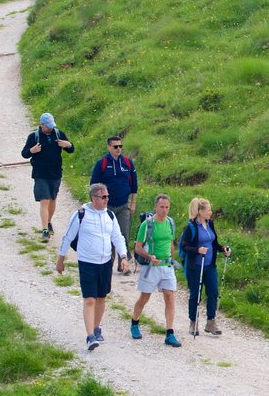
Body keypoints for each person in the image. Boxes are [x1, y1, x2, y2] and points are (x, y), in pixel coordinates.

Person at [56, 183, 129, 351]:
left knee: (101, 297)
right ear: (93, 198)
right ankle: (90, 336)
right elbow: (68, 237)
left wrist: (123, 257)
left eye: (107, 197)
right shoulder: (81, 215)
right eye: (103, 197)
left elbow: (118, 237)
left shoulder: (109, 215)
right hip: (87, 262)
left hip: (105, 262)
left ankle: (96, 328)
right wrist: (61, 259)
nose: (107, 200)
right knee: (90, 299)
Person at [130, 194, 181, 347]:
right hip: (151, 267)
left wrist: (171, 259)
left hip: (166, 266)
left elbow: (170, 242)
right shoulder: (147, 224)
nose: (164, 210)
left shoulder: (170, 223)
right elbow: (138, 248)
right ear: (155, 207)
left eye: (167, 207)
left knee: (169, 296)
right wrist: (149, 257)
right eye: (161, 207)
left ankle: (170, 333)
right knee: (145, 297)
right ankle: (134, 323)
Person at [181, 197, 232, 336]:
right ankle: (193, 323)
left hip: (209, 265)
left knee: (213, 292)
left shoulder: (210, 224)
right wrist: (197, 250)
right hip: (195, 266)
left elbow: (214, 243)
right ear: (200, 212)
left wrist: (223, 249)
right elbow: (184, 246)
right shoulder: (191, 227)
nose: (211, 212)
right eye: (208, 210)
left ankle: (211, 322)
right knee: (195, 295)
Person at [20, 112, 75, 242]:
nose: (50, 128)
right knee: (44, 200)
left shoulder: (58, 134)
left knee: (53, 199)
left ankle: (49, 221)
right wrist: (32, 151)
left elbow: (71, 149)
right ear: (41, 125)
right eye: (48, 126)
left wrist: (68, 145)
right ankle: (45, 229)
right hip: (40, 173)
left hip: (55, 172)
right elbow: (24, 154)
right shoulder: (34, 136)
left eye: (51, 126)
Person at [90, 136, 138, 274]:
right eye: (115, 146)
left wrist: (133, 203)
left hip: (123, 204)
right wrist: (96, 203)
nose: (118, 149)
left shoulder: (127, 163)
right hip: (106, 206)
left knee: (123, 234)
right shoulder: (102, 164)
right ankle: (107, 265)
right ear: (109, 147)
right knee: (107, 236)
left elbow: (134, 185)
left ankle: (123, 265)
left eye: (120, 146)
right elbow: (93, 185)